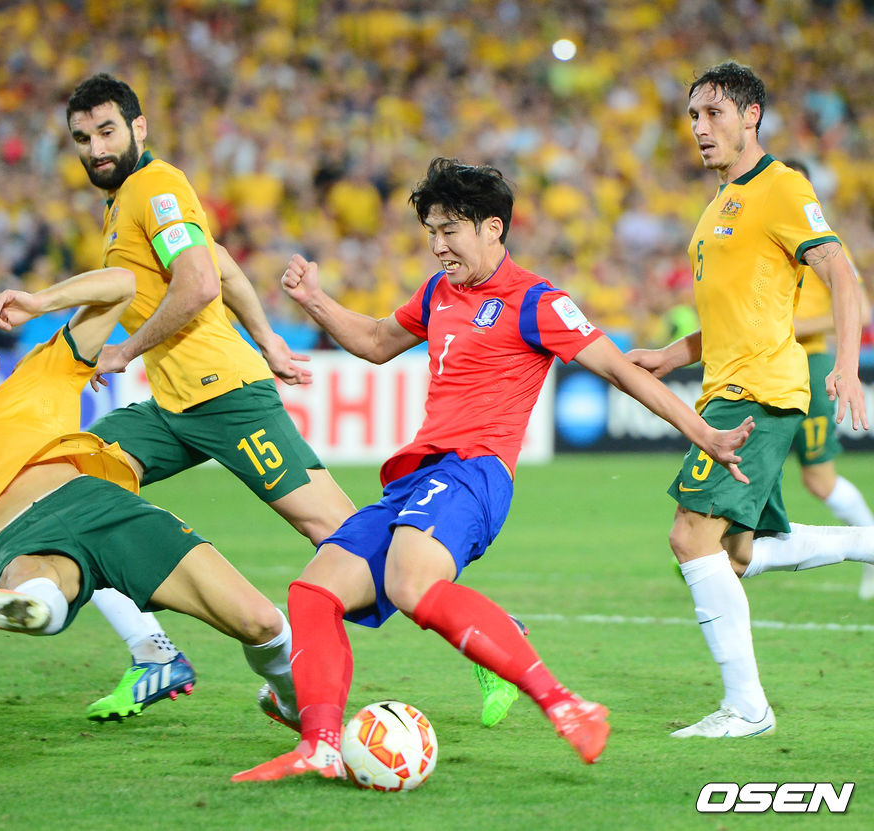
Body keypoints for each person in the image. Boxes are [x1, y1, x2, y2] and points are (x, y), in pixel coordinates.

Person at [231, 157, 755, 782]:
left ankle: (567, 705)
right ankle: (318, 744)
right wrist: (316, 300)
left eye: (450, 229)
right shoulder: (437, 294)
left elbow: (619, 370)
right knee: (313, 594)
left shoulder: (537, 301)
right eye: (430, 230)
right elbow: (374, 343)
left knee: (409, 586)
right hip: (416, 479)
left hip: (473, 475)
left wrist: (705, 435)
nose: (437, 245)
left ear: (493, 229)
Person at [0, 267, 299, 728]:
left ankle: (290, 702)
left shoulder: (40, 373)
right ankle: (31, 606)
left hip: (95, 504)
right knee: (37, 579)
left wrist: (40, 302)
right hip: (15, 539)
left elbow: (122, 284)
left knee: (262, 623)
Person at [63, 72, 356, 722]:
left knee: (337, 532)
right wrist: (270, 339)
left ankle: (479, 630)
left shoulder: (155, 185)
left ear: (139, 128)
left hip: (225, 397)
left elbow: (196, 284)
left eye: (107, 130)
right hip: (172, 409)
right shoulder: (126, 202)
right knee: (68, 487)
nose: (95, 146)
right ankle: (153, 652)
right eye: (82, 137)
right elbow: (218, 260)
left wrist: (123, 350)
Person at [627, 62, 873, 739]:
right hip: (726, 387)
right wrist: (670, 355)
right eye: (694, 118)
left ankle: (747, 708)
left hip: (758, 392)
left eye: (714, 114)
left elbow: (842, 276)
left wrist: (847, 367)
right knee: (736, 551)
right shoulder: (717, 207)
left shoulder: (782, 187)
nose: (701, 129)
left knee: (690, 535)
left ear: (751, 114)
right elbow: (738, 314)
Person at [783, 159, 874, 601]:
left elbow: (862, 307)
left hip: (809, 366)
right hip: (763, 366)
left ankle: (870, 544)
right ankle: (714, 548)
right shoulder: (767, 240)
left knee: (818, 479)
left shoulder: (824, 244)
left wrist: (795, 326)